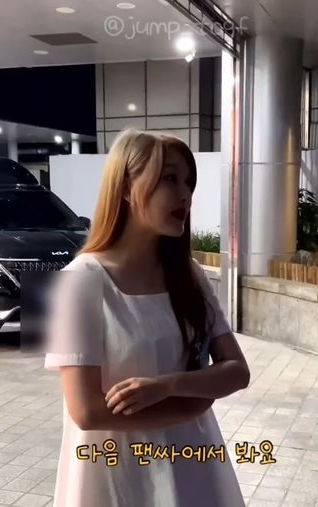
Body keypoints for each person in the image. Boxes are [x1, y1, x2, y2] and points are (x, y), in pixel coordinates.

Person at [43, 128, 250, 507]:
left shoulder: (190, 275)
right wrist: (194, 400)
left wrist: (168, 385)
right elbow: (87, 411)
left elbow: (237, 371)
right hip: (114, 474)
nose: (185, 194)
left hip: (193, 463)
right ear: (125, 187)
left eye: (188, 182)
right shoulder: (79, 281)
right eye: (170, 178)